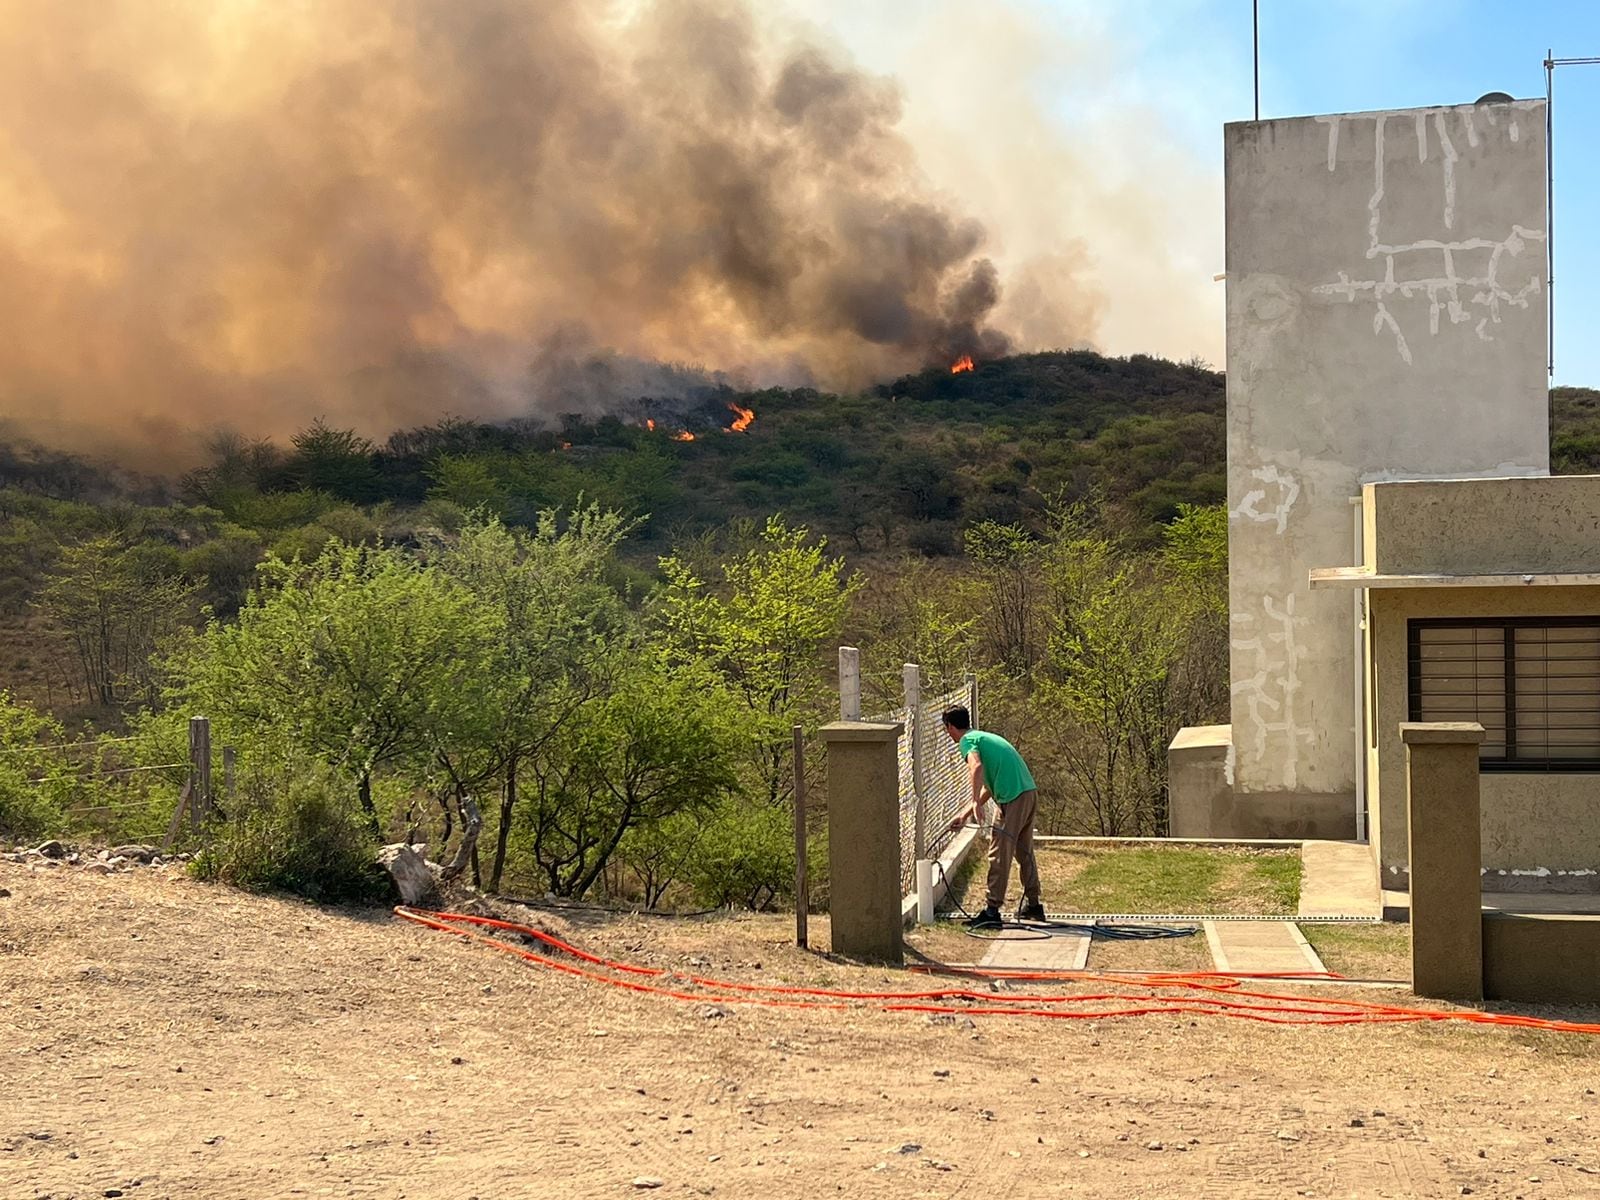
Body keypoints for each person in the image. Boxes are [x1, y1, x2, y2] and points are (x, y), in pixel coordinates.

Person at [942, 705, 1042, 929]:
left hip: (1012, 797)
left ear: (950, 726)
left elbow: (976, 767)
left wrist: (976, 801)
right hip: (1027, 791)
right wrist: (966, 813)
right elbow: (991, 782)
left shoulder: (967, 741)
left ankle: (992, 911)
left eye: (946, 728)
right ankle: (1034, 905)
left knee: (999, 852)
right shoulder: (982, 736)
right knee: (1024, 851)